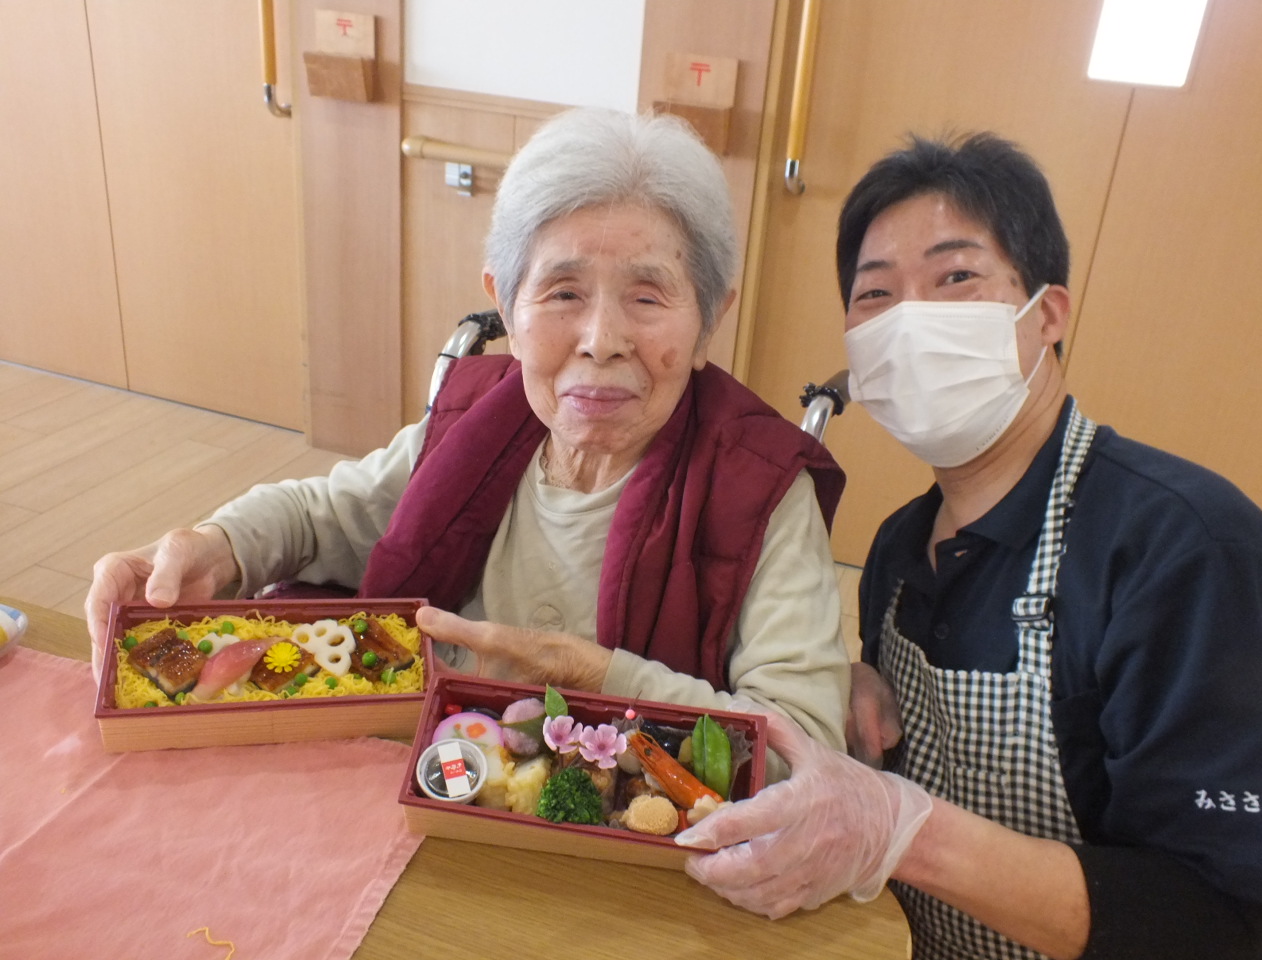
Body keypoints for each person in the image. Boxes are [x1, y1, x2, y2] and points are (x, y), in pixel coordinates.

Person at [86, 107, 851, 760]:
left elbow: (806, 744)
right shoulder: (475, 422)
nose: (601, 338)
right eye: (562, 291)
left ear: (712, 317)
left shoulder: (761, 491)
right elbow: (326, 515)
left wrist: (604, 681)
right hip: (420, 784)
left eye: (649, 297)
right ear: (505, 304)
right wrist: (218, 548)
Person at [678, 133, 1262, 959]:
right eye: (876, 295)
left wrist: (903, 828)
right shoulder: (897, 551)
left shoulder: (1183, 549)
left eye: (956, 278)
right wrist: (850, 680)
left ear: (1048, 315)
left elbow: (1225, 919)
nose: (912, 320)